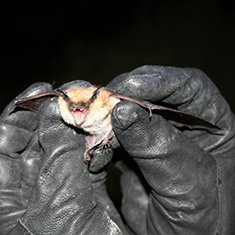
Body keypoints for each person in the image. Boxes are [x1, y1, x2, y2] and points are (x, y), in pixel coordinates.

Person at [0, 65, 234, 235]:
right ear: (62, 102)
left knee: (124, 114)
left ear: (93, 101)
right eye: (72, 107)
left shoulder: (105, 99)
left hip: (109, 127)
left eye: (82, 107)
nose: (77, 110)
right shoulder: (61, 103)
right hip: (91, 138)